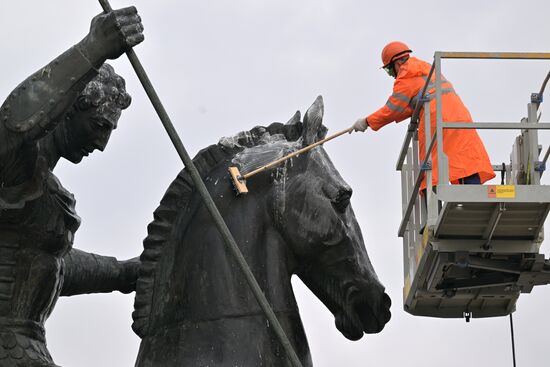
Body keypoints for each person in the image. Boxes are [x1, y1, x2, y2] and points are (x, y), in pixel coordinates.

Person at [0, 7, 144, 366]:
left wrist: (122, 272)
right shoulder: (15, 166)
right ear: (69, 108)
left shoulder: (41, 187)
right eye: (98, 126)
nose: (102, 145)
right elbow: (13, 123)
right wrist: (91, 50)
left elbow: (49, 264)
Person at [351, 41, 495, 188]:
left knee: (433, 168)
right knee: (463, 158)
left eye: (389, 70)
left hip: (436, 118)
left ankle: (446, 199)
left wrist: (367, 121)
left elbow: (392, 109)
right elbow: (410, 105)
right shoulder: (423, 68)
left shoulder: (406, 76)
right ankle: (471, 191)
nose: (392, 75)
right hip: (458, 116)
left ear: (397, 63)